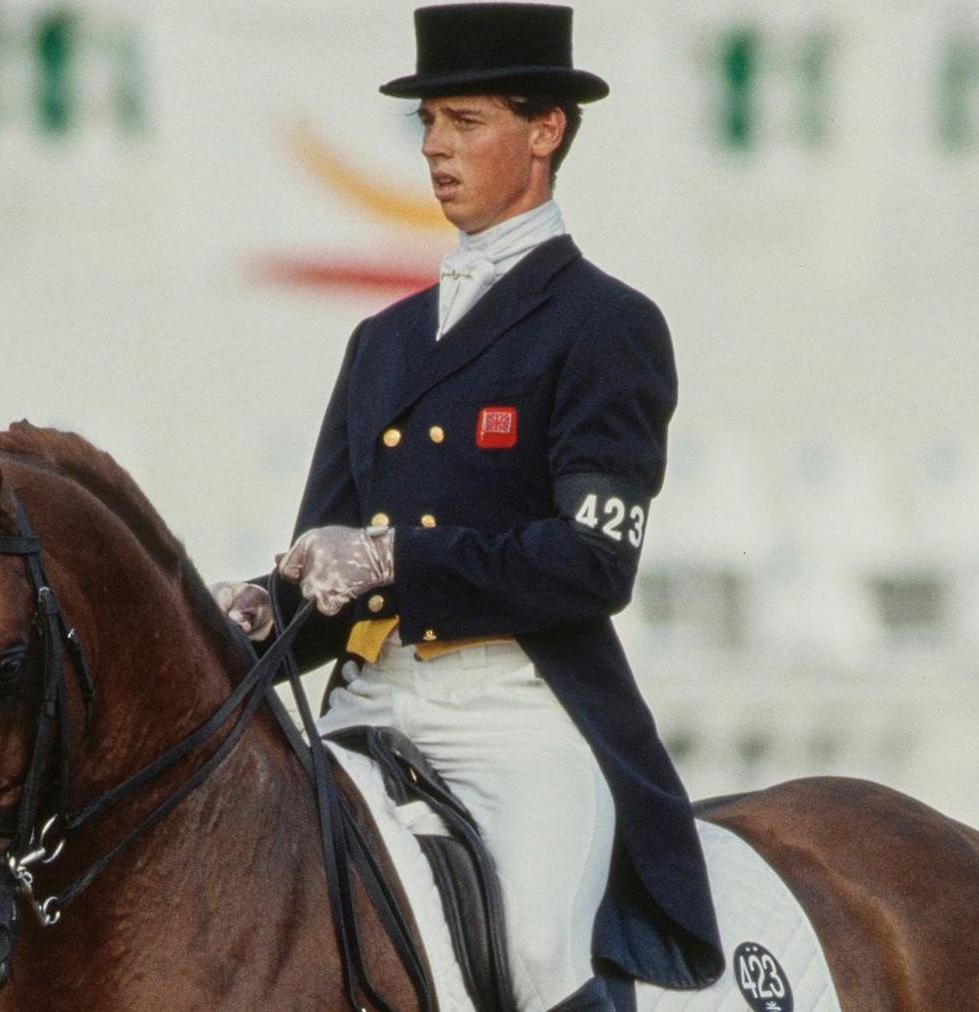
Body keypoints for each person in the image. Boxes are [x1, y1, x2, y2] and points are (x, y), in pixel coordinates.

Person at [211, 4, 721, 1008]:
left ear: (547, 130)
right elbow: (333, 557)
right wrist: (269, 609)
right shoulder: (383, 342)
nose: (437, 150)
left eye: (466, 122)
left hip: (514, 711)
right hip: (369, 704)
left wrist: (401, 563)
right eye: (429, 124)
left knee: (537, 949)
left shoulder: (605, 326)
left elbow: (591, 563)